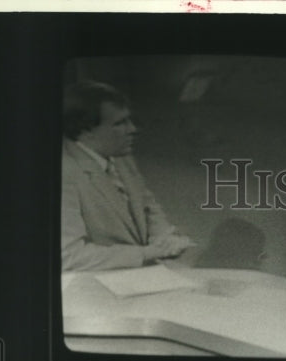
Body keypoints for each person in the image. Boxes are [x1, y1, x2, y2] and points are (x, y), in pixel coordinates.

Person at [61, 80, 194, 272]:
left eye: (129, 120)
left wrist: (165, 237)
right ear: (85, 131)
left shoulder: (120, 155)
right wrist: (146, 254)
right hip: (95, 284)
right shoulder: (65, 173)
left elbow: (148, 207)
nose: (132, 129)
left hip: (139, 276)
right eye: (119, 123)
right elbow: (69, 256)